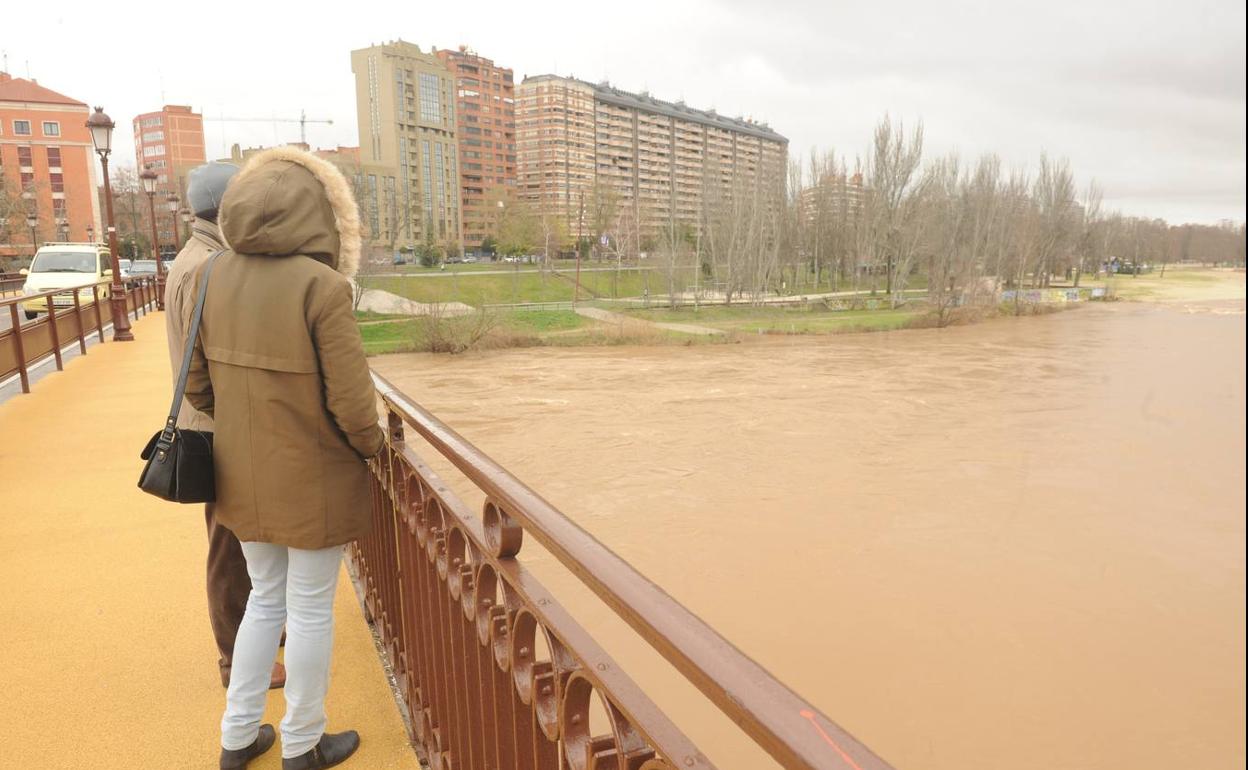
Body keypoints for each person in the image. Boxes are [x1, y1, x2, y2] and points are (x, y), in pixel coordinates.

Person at [183, 146, 384, 770]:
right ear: (317, 214)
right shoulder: (322, 287)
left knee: (264, 602)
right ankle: (302, 742)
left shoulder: (213, 274)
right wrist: (374, 449)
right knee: (310, 608)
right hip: (313, 478)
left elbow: (194, 385)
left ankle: (238, 737)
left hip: (241, 475)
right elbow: (354, 405)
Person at [164, 161, 286, 692]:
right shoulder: (206, 267)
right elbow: (208, 367)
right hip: (217, 428)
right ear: (230, 209)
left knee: (239, 540)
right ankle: (236, 661)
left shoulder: (202, 258)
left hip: (216, 423)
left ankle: (257, 638)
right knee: (229, 549)